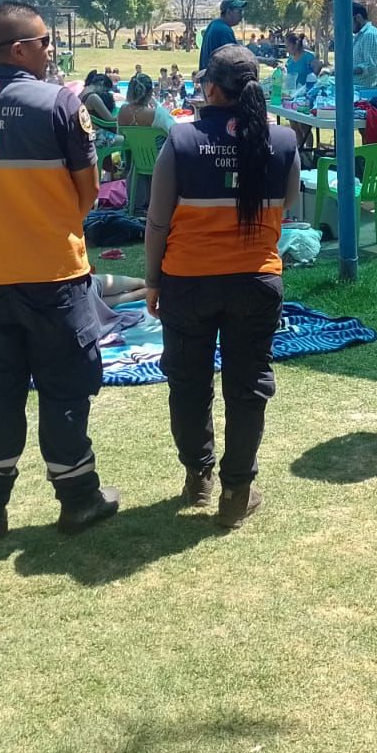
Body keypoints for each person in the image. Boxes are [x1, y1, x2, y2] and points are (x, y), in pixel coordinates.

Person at [0, 2, 120, 540]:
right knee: (65, 389)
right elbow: (89, 193)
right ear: (19, 49)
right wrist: (50, 222)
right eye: (45, 42)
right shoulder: (60, 105)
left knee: (0, 393)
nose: (51, 51)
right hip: (54, 276)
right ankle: (78, 500)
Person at [144, 45, 300, 528]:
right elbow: (288, 203)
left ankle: (198, 477)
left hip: (187, 283)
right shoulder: (283, 140)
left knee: (189, 383)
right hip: (256, 282)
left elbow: (157, 221)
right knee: (248, 386)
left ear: (210, 88)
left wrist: (152, 281)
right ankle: (237, 491)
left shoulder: (182, 139)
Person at [199, 0, 246, 71]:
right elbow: (235, 60)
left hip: (207, 75)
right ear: (228, 12)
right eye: (239, 11)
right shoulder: (224, 30)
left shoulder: (214, 24)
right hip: (218, 77)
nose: (241, 15)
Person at [351, 1, 377, 91]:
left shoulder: (370, 35)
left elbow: (369, 66)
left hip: (367, 90)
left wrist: (345, 72)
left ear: (358, 18)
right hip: (357, 87)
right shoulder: (361, 35)